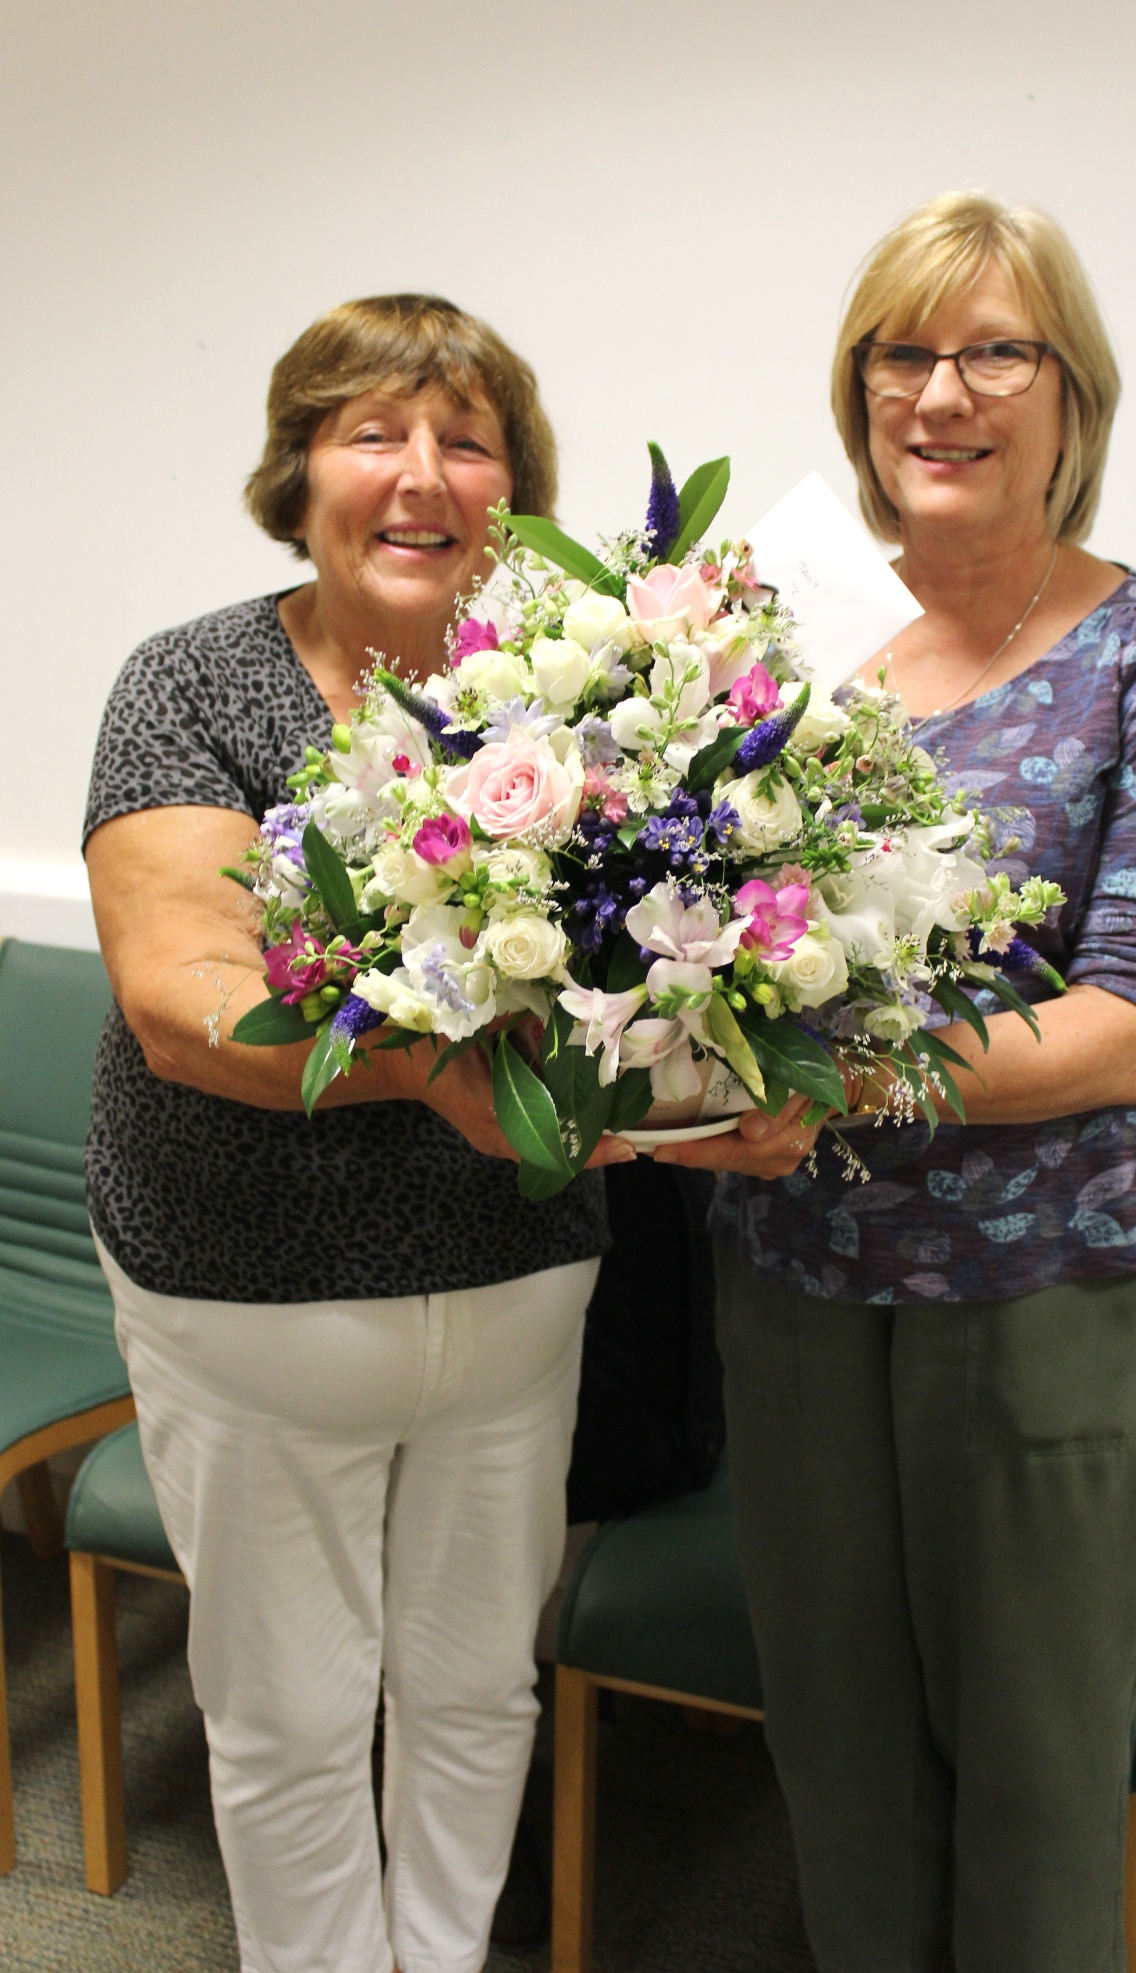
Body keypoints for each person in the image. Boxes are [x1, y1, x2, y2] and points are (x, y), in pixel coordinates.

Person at [660, 193, 1136, 1971]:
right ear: (856, 394)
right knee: (834, 1750)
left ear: (1072, 395)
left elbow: (1134, 1020)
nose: (942, 392)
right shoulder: (777, 651)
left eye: (995, 350)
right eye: (900, 353)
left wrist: (833, 1086)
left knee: (1033, 1763)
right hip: (794, 1277)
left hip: (1051, 1279)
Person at [82, 293, 634, 1973]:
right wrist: (434, 1076)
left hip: (517, 1290)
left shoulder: (590, 696)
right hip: (253, 1301)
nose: (421, 476)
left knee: (475, 1683)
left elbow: (666, 967)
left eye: (466, 440)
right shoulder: (194, 682)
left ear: (513, 485)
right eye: (372, 432)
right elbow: (187, 1000)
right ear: (298, 467)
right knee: (292, 1712)